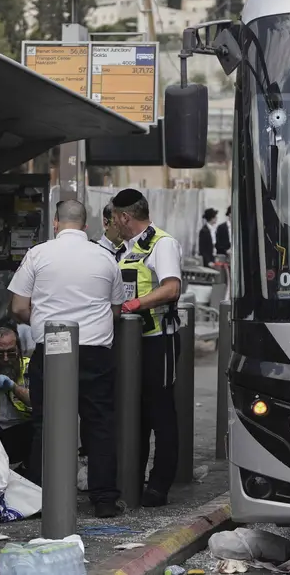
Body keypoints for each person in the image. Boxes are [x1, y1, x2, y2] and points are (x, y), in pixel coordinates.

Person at [9, 199, 125, 518]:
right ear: (85, 225)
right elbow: (115, 308)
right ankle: (103, 498)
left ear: (56, 223)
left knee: (46, 423)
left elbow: (18, 306)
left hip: (53, 348)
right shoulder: (105, 258)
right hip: (95, 351)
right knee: (99, 424)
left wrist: (43, 316)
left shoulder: (38, 254)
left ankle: (41, 494)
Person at [110, 188, 183, 507]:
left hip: (158, 342)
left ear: (125, 217)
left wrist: (133, 305)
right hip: (130, 343)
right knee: (134, 412)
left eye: (114, 217)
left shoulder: (161, 243)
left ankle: (159, 485)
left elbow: (171, 288)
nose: (112, 223)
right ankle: (132, 479)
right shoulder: (124, 250)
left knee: (161, 412)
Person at [0, 321, 33, 467]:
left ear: (18, 350)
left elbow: (38, 402)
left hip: (23, 429)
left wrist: (14, 387)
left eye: (10, 352)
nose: (5, 359)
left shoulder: (29, 367)